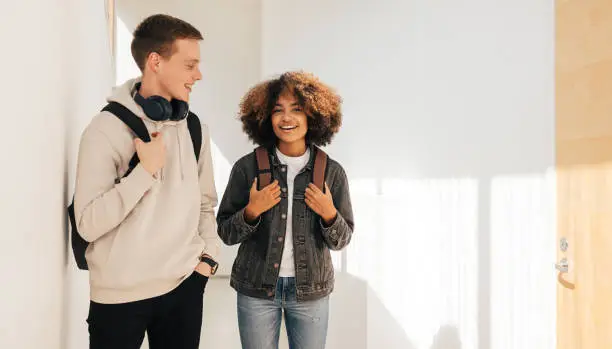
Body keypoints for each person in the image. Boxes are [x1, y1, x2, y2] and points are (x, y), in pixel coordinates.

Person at [73, 14, 220, 349]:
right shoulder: (105, 130)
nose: (198, 75)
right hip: (119, 297)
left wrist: (207, 262)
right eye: (189, 64)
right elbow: (87, 224)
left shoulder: (194, 129)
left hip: (184, 286)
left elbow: (204, 203)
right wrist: (144, 172)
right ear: (155, 61)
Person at [217, 71, 355, 349]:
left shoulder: (332, 172)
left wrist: (329, 213)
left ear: (313, 116)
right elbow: (225, 232)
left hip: (311, 292)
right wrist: (251, 212)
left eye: (297, 110)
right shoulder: (247, 168)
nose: (286, 118)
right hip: (256, 290)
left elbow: (342, 240)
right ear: (266, 117)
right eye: (278, 111)